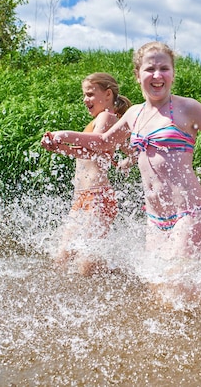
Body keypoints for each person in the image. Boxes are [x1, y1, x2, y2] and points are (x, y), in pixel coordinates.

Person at [42, 41, 201, 264]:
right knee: (159, 291)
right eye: (150, 69)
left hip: (189, 212)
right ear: (137, 75)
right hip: (155, 220)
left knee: (175, 285)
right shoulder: (133, 114)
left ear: (172, 74)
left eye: (164, 68)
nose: (157, 75)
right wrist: (63, 137)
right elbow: (104, 142)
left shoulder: (188, 109)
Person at [41, 72, 132, 276]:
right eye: (84, 95)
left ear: (108, 94)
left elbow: (95, 146)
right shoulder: (101, 120)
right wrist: (59, 147)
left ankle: (112, 293)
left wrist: (62, 137)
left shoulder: (107, 117)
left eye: (90, 94)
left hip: (98, 196)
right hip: (83, 197)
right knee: (62, 258)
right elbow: (88, 152)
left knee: (86, 265)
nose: (85, 99)